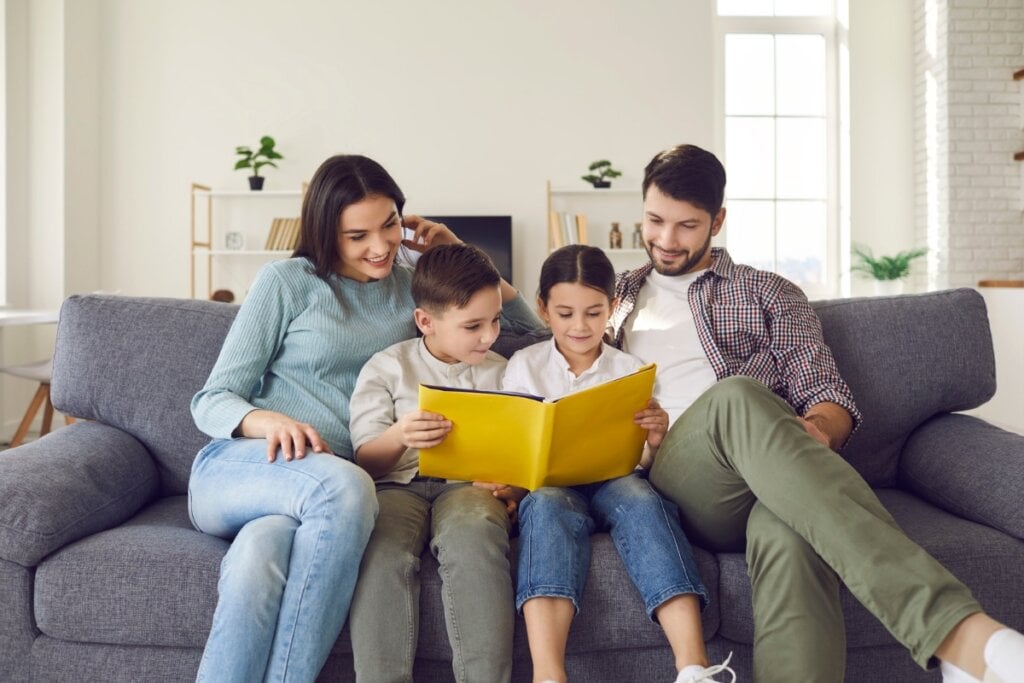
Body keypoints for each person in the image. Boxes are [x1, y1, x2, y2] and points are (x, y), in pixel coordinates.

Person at [609, 143, 1024, 683]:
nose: (666, 241)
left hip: (773, 476)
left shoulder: (769, 293)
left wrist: (815, 433)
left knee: (791, 529)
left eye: (686, 226)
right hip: (678, 478)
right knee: (736, 396)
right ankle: (961, 637)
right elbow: (533, 331)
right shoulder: (615, 295)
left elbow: (828, 394)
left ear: (718, 221)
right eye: (655, 221)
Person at [188, 154, 538, 682]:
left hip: (325, 493)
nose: (380, 246)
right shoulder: (287, 282)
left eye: (391, 224)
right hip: (251, 465)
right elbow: (211, 399)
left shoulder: (414, 280)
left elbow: (529, 337)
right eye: (357, 236)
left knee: (259, 558)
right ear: (326, 234)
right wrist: (268, 422)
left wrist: (460, 253)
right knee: (348, 488)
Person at [502, 244, 734, 683]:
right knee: (547, 508)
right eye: (565, 313)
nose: (579, 326)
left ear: (611, 308)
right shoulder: (523, 367)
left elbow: (644, 460)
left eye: (593, 313)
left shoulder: (631, 368)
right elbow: (515, 448)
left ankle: (692, 667)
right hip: (551, 485)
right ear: (543, 309)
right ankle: (548, 675)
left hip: (616, 477)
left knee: (645, 503)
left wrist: (655, 436)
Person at [346, 243, 538, 683]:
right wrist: (398, 435)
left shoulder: (505, 372)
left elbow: (523, 458)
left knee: (476, 539)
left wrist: (513, 488)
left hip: (468, 489)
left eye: (494, 321)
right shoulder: (387, 367)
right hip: (396, 487)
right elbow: (367, 462)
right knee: (381, 553)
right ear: (425, 321)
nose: (489, 336)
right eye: (473, 326)